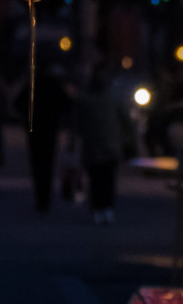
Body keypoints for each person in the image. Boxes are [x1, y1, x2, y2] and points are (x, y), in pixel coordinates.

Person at [74, 69, 133, 225]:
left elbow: (78, 124)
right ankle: (107, 208)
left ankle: (97, 208)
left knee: (95, 180)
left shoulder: (85, 101)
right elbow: (126, 121)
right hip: (111, 146)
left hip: (93, 147)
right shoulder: (114, 100)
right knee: (108, 179)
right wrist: (126, 139)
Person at [15, 60, 72, 214]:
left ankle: (40, 198)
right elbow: (67, 104)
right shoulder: (53, 85)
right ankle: (44, 199)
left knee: (37, 165)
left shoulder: (32, 86)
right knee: (47, 165)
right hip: (49, 130)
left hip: (35, 131)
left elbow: (17, 103)